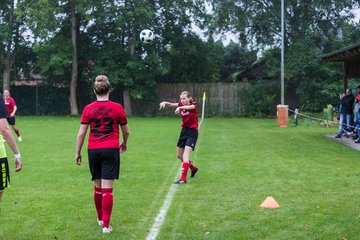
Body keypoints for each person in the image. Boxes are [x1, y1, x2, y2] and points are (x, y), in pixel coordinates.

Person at [75, 75, 129, 234]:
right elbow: (126, 131)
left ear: (94, 90)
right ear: (109, 89)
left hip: (93, 150)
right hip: (111, 149)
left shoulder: (88, 109)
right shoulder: (118, 107)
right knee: (108, 190)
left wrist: (77, 152)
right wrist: (124, 143)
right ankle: (106, 225)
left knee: (97, 186)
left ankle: (100, 219)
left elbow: (81, 134)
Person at [159, 91, 199, 184]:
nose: (182, 100)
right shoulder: (181, 104)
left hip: (192, 132)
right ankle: (193, 168)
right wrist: (165, 102)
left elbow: (189, 107)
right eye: (181, 99)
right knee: (179, 155)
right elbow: (172, 104)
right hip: (184, 131)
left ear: (189, 98)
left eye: (184, 98)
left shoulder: (193, 106)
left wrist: (180, 107)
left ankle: (183, 178)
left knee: (185, 156)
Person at [0, 92, 22, 203]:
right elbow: (4, 129)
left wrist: (12, 112)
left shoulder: (10, 100)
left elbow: (14, 106)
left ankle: (20, 136)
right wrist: (17, 154)